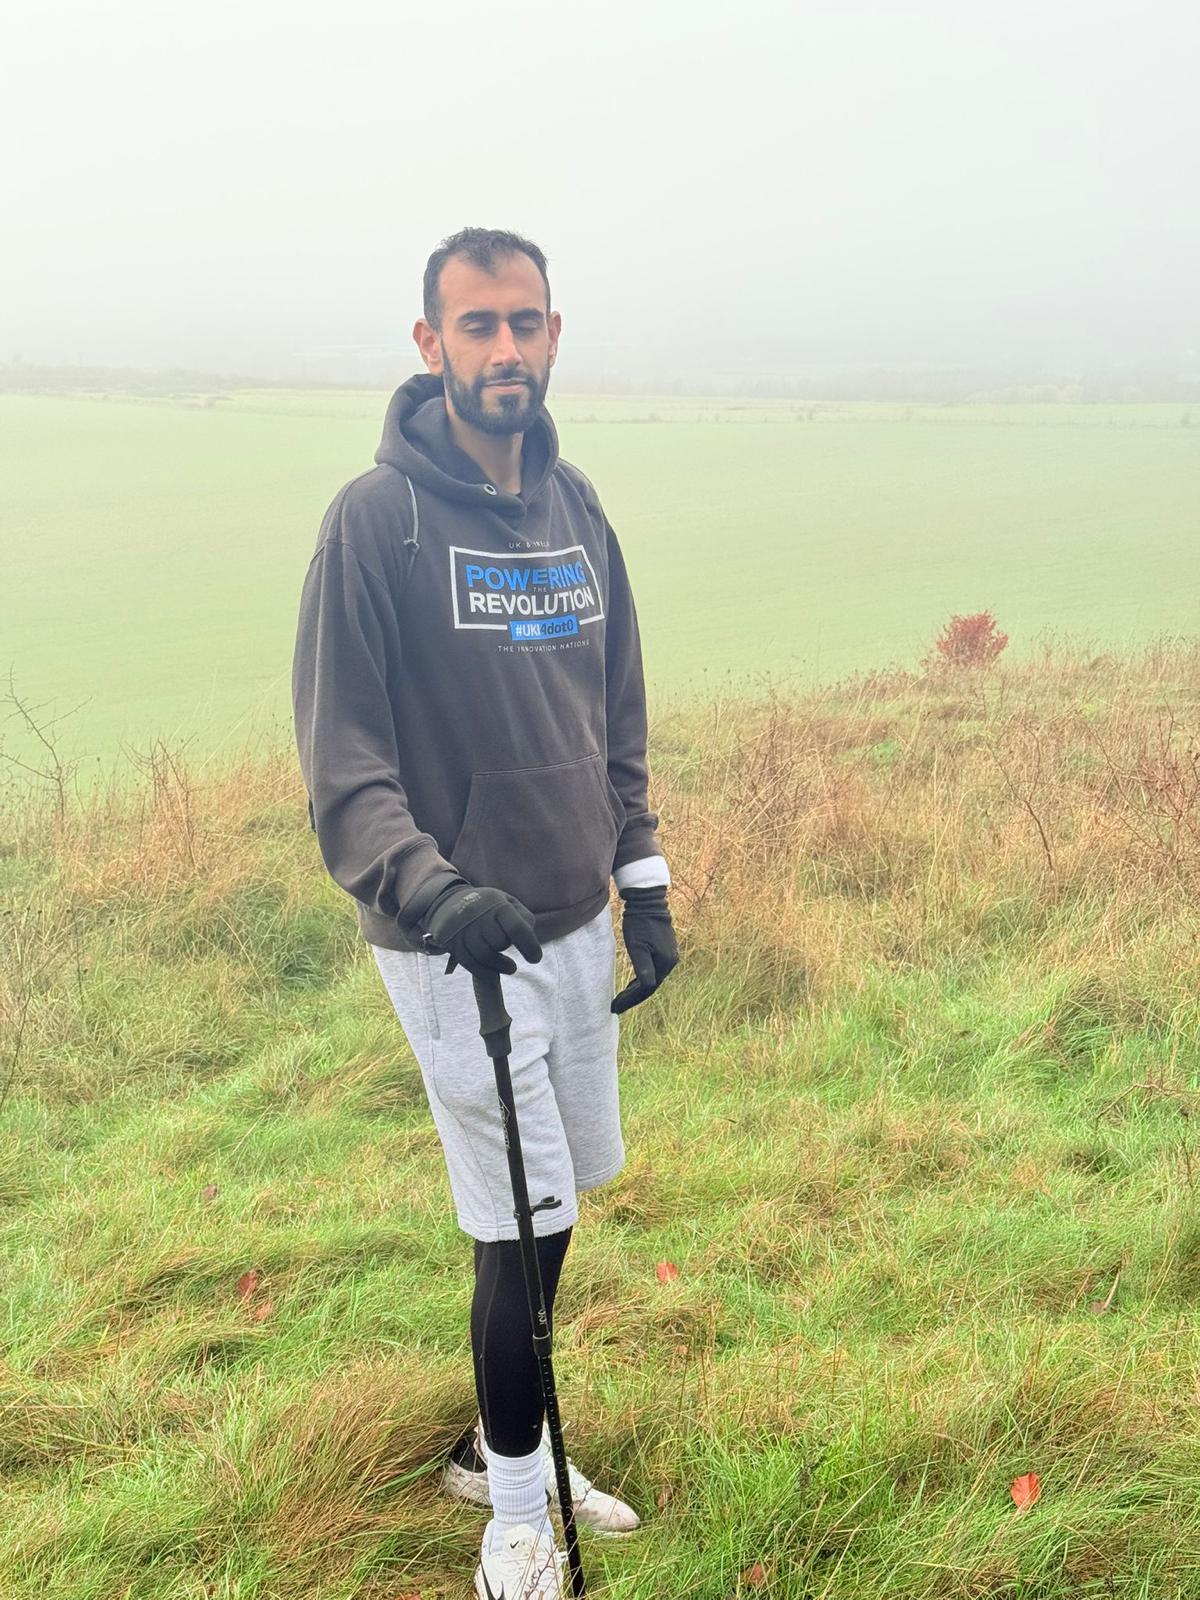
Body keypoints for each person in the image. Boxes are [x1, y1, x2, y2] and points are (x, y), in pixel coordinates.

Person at [292, 227, 679, 1598]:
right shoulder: (374, 523)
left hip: (572, 917)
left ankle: (490, 1444)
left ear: (554, 334)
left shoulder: (577, 508)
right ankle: (515, 1510)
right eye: (477, 325)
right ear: (431, 344)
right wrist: (430, 886)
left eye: (524, 322)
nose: (504, 348)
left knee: (557, 1203)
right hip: (456, 942)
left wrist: (641, 880)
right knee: (516, 1219)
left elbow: (613, 708)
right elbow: (344, 767)